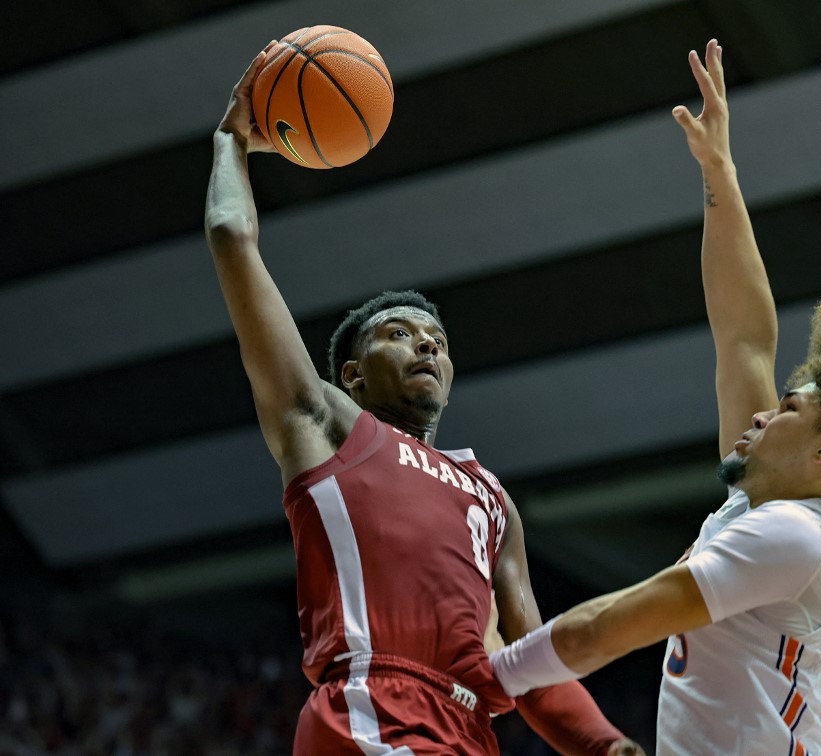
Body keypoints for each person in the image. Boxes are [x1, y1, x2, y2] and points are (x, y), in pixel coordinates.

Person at [488, 39, 821, 755]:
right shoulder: (773, 510)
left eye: (787, 408)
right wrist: (719, 172)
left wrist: (482, 681)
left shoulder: (796, 538)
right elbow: (745, 337)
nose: (762, 412)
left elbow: (604, 630)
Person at [204, 42, 643, 756]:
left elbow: (531, 660)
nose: (427, 346)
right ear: (351, 375)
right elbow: (231, 236)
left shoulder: (492, 497)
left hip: (469, 731)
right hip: (372, 708)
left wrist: (604, 744)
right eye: (400, 334)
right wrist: (230, 142)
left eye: (436, 338)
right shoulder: (325, 424)